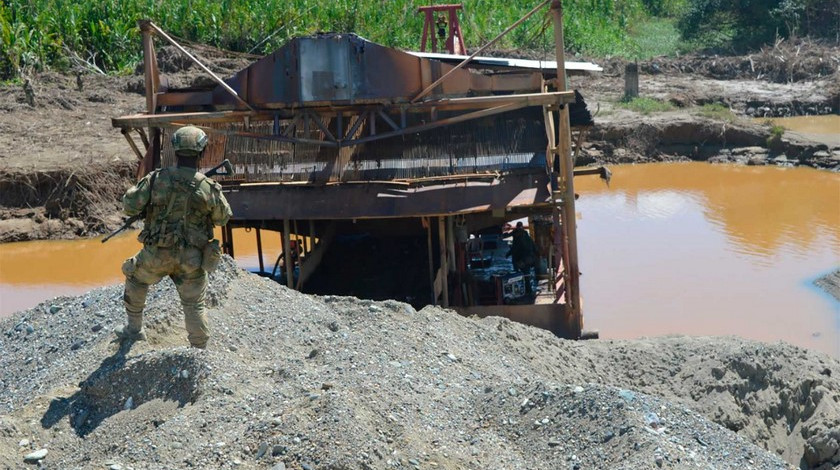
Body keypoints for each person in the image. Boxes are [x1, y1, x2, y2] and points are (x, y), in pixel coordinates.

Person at [115, 126, 232, 348]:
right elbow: (223, 218)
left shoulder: (156, 179)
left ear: (175, 151)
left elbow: (130, 205)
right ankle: (199, 349)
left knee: (136, 277)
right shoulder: (207, 187)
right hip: (191, 259)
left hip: (156, 255)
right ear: (202, 152)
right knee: (194, 304)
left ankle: (134, 330)